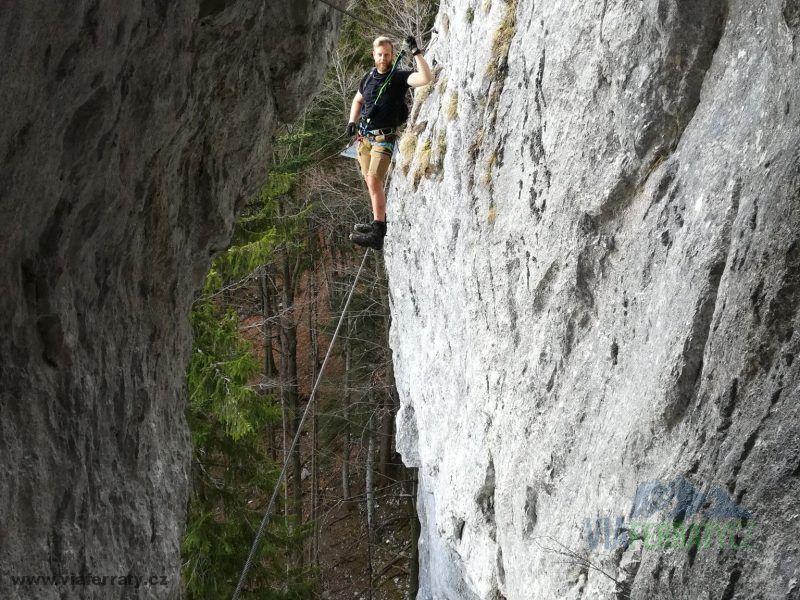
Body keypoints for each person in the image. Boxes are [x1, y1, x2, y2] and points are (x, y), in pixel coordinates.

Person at [346, 35, 432, 250]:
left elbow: (425, 78)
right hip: (365, 139)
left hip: (384, 139)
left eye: (386, 54)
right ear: (373, 55)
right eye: (380, 54)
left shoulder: (399, 77)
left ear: (392, 55)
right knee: (369, 180)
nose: (383, 58)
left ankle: (378, 233)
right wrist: (351, 121)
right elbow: (358, 100)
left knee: (375, 178)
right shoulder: (368, 78)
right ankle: (378, 222)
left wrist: (416, 52)